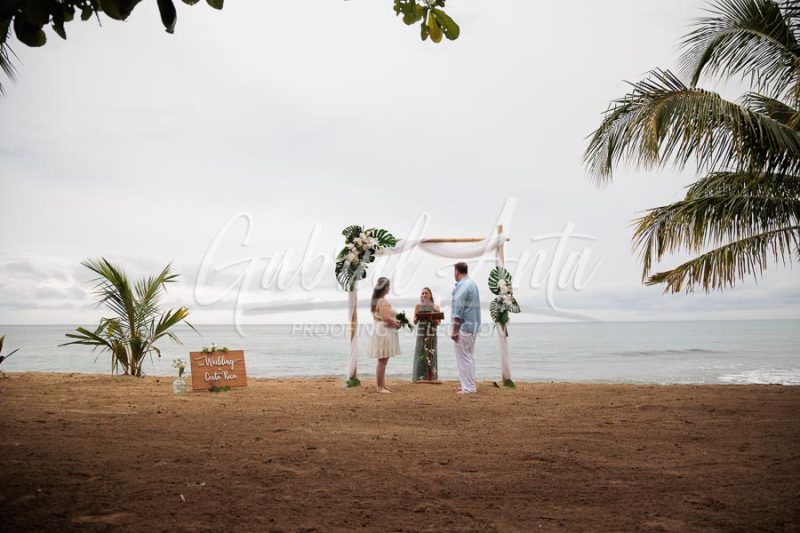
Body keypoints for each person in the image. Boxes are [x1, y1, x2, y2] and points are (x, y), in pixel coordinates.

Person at [450, 262, 480, 394]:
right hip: (472, 326)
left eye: (454, 271)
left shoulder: (463, 286)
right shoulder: (472, 284)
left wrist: (455, 330)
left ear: (457, 271)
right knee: (469, 357)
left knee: (464, 359)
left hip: (464, 326)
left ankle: (468, 387)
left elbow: (458, 308)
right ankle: (467, 384)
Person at [367, 277, 401, 393]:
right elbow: (386, 319)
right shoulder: (383, 301)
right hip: (384, 331)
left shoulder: (376, 301)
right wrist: (396, 324)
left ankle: (382, 385)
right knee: (382, 360)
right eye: (388, 286)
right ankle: (380, 387)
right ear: (385, 287)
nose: (389, 288)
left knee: (383, 360)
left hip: (379, 329)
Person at [412, 287, 442, 383]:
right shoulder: (418, 306)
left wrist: (432, 311)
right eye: (423, 293)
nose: (424, 295)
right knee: (420, 351)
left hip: (432, 331)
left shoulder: (436, 307)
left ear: (430, 295)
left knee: (431, 352)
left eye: (426, 293)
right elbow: (415, 321)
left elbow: (438, 322)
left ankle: (431, 376)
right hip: (421, 331)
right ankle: (419, 376)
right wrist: (416, 317)